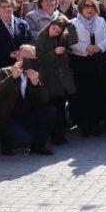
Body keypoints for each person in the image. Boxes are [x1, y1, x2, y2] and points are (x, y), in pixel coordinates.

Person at [0, 44, 56, 155]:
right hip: (8, 118)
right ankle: (6, 143)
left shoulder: (35, 73)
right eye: (25, 58)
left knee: (50, 111)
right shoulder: (4, 71)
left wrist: (36, 84)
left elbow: (44, 100)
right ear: (18, 57)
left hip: (26, 115)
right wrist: (12, 77)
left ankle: (38, 146)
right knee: (25, 140)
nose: (27, 61)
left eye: (31, 59)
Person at [70, 0, 106, 137]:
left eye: (92, 6)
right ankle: (84, 124)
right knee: (83, 93)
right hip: (81, 61)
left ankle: (95, 123)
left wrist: (99, 47)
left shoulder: (101, 20)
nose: (89, 9)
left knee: (97, 92)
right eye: (86, 6)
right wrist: (86, 47)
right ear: (81, 7)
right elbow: (71, 41)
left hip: (97, 60)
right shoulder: (73, 22)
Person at [35, 14, 77, 145]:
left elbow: (74, 39)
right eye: (53, 28)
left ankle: (61, 135)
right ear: (50, 25)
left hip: (61, 78)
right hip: (49, 78)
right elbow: (39, 58)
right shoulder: (41, 38)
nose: (55, 32)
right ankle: (54, 136)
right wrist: (54, 52)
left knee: (61, 108)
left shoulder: (62, 38)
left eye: (58, 31)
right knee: (54, 108)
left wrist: (70, 24)